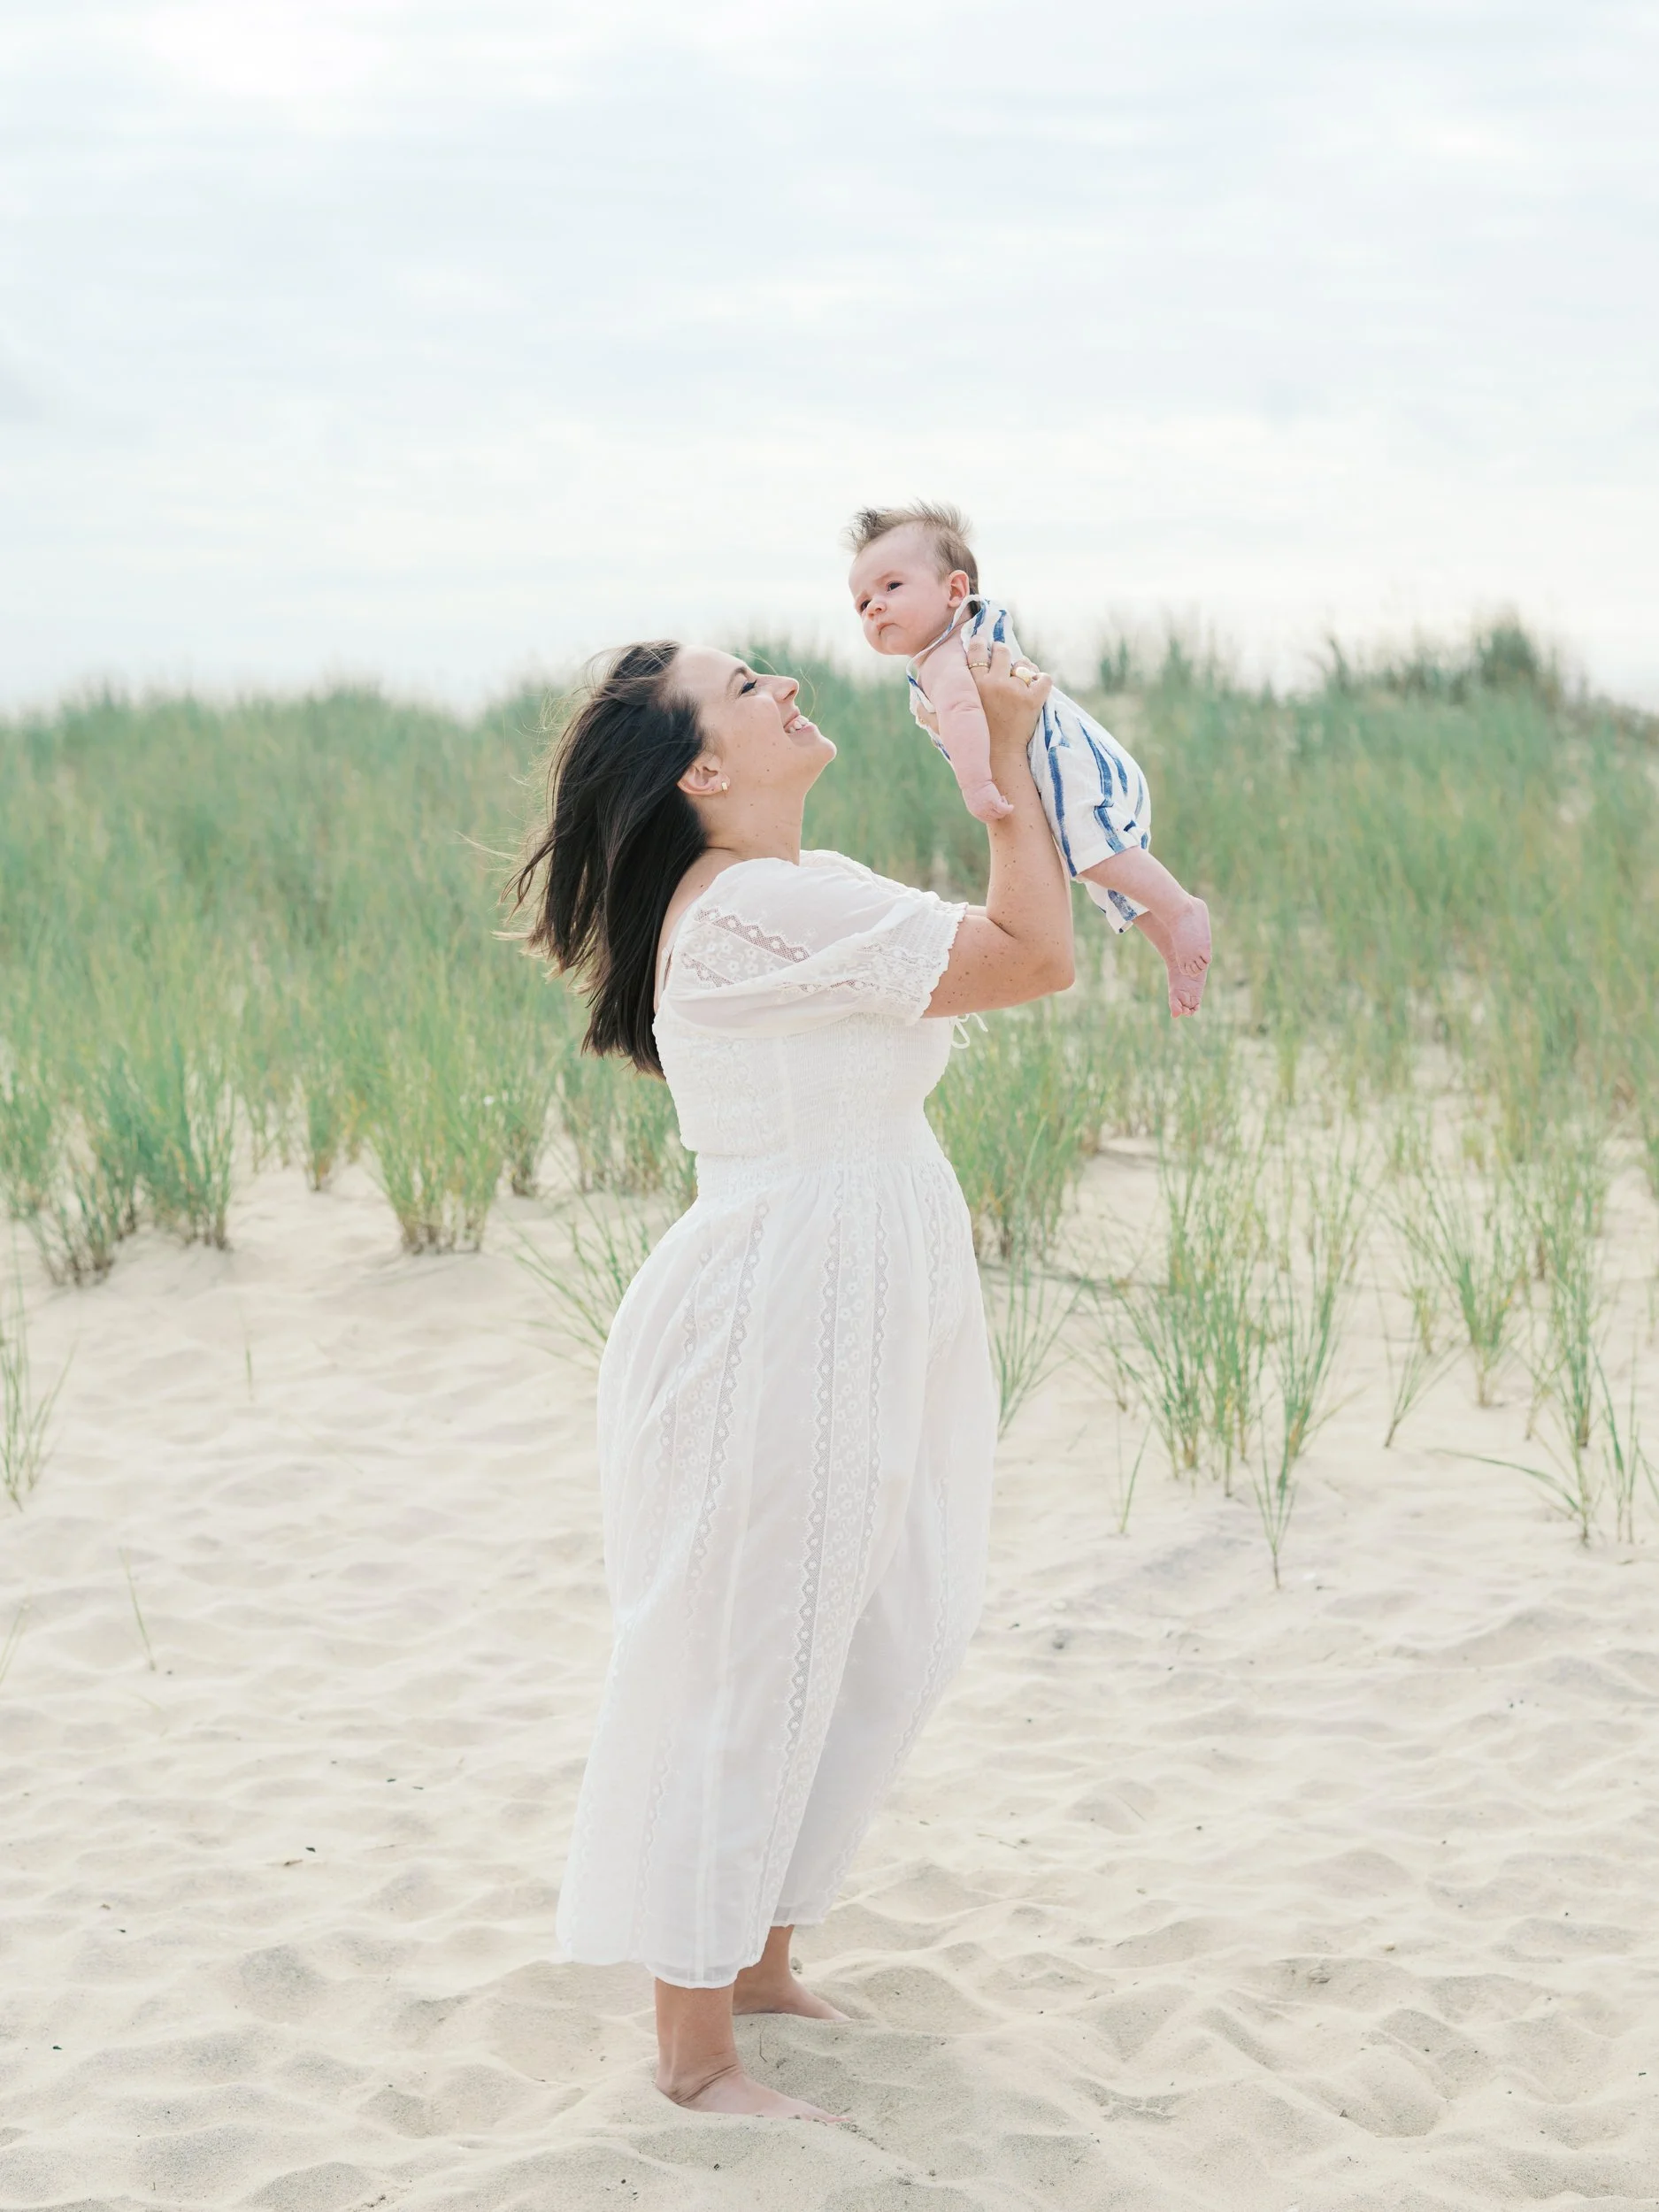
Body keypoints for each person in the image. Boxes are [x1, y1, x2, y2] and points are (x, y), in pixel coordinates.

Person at [511, 634, 1071, 2122]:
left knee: (884, 1623)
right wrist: (1011, 766)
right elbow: (1035, 959)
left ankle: (756, 1953)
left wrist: (990, 766)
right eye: (745, 685)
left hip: (872, 1275)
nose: (781, 688)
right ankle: (696, 2056)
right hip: (785, 1303)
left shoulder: (778, 897)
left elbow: (991, 951)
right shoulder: (759, 905)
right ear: (703, 768)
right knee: (749, 1650)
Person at [846, 501, 1213, 1018]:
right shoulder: (966, 634)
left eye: (891, 587)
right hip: (1080, 756)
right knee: (1099, 874)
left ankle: (1182, 908)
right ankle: (1173, 948)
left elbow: (965, 709)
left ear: (954, 591)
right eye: (862, 604)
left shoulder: (945, 657)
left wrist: (977, 786)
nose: (875, 607)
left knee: (1096, 856)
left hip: (1068, 763)